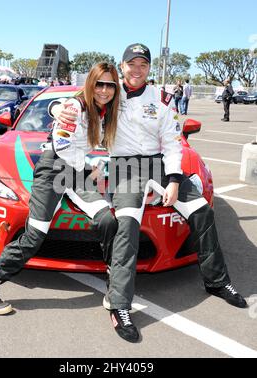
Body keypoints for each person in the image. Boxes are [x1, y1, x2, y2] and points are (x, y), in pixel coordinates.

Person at [56, 43, 247, 344]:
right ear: (122, 66)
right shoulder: (109, 92)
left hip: (159, 164)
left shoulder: (162, 97)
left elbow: (172, 142)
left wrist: (173, 180)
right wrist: (65, 108)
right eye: (131, 64)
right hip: (124, 167)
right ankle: (119, 306)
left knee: (202, 211)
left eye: (143, 64)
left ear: (148, 68)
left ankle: (217, 282)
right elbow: (81, 103)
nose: (137, 69)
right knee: (127, 225)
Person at [0, 62, 120, 316]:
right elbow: (62, 145)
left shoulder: (105, 111)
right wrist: (89, 167)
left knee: (107, 219)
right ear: (90, 84)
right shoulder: (75, 106)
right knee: (34, 235)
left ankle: (113, 278)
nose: (105, 89)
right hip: (54, 169)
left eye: (110, 84)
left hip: (74, 171)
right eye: (100, 83)